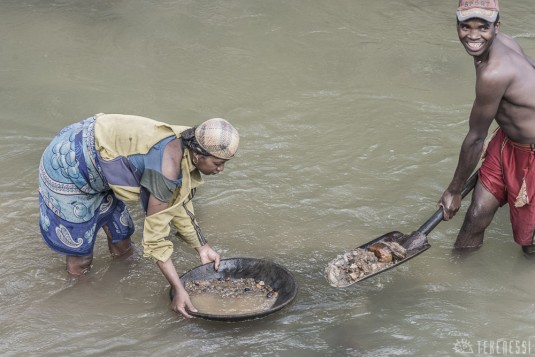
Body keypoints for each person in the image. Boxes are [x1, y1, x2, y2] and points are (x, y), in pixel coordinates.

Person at [38, 113, 239, 317]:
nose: (221, 169)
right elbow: (154, 240)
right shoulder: (166, 169)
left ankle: (117, 287)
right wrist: (179, 290)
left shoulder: (192, 140)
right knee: (80, 256)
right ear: (199, 155)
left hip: (104, 153)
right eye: (217, 163)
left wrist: (202, 247)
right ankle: (81, 303)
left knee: (122, 241)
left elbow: (179, 201)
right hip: (68, 161)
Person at [439, 0, 535, 254]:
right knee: (477, 214)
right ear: (457, 25)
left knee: (530, 244)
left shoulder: (494, 73)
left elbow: (475, 138)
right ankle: (455, 276)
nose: (473, 35)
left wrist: (454, 190)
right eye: (465, 26)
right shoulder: (499, 42)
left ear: (496, 27)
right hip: (508, 141)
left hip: (532, 154)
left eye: (482, 27)